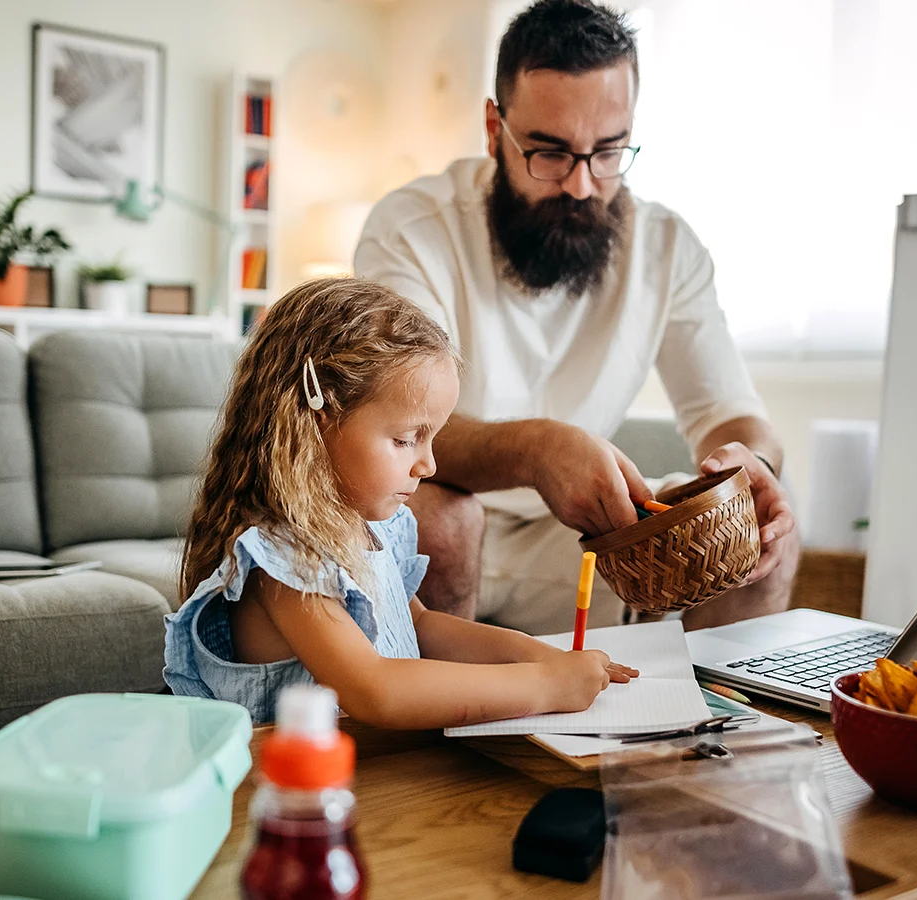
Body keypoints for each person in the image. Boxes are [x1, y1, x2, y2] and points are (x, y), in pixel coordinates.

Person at [354, 0, 798, 635]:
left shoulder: (667, 247)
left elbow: (732, 413)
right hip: (433, 510)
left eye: (609, 152)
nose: (582, 186)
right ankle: (435, 729)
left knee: (761, 529)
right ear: (493, 129)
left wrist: (752, 466)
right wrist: (538, 449)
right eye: (551, 153)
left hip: (574, 541)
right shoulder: (412, 229)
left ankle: (705, 731)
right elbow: (400, 426)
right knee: (440, 520)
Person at [163, 277, 637, 727]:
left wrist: (537, 654)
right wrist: (542, 685)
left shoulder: (371, 529)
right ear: (319, 418)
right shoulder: (285, 558)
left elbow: (421, 626)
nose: (428, 465)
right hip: (300, 793)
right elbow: (375, 689)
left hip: (375, 769)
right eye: (408, 439)